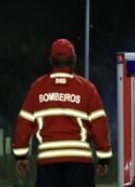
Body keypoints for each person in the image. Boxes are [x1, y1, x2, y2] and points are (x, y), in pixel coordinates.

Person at [13, 38, 112, 187]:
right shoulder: (87, 88)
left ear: (51, 60)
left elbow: (24, 123)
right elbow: (99, 124)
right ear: (74, 60)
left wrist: (21, 156)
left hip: (48, 162)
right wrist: (104, 157)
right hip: (79, 162)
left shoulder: (38, 87)